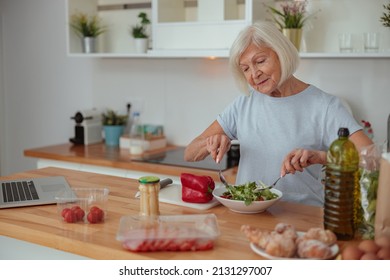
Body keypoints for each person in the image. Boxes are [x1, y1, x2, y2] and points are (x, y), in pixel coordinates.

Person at [184, 22, 373, 207]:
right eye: (246, 69)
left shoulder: (325, 106)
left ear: (282, 54)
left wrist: (322, 157)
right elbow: (190, 153)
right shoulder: (244, 103)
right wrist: (210, 142)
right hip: (250, 213)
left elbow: (372, 159)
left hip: (303, 216)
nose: (254, 74)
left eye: (260, 61)